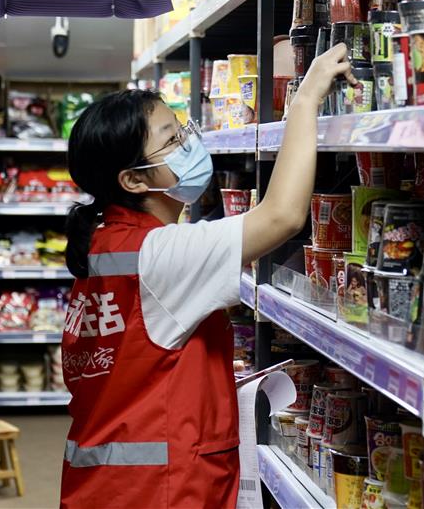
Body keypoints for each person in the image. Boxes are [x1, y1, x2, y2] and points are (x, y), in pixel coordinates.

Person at [60, 43, 355, 509]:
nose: (189, 144)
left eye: (184, 130)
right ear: (134, 180)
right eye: (172, 141)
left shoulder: (107, 243)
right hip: (160, 494)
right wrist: (305, 99)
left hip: (110, 487)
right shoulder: (161, 254)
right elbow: (281, 216)